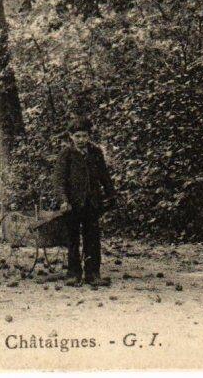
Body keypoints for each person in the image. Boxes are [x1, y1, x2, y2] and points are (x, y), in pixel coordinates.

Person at [52, 118, 116, 287]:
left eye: (84, 136)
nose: (81, 140)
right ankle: (73, 273)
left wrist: (111, 195)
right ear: (71, 136)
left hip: (92, 202)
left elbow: (104, 175)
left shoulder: (96, 152)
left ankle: (93, 274)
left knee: (93, 238)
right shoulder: (66, 154)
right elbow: (59, 181)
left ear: (89, 136)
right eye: (77, 136)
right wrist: (63, 200)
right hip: (72, 204)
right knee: (73, 239)